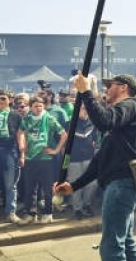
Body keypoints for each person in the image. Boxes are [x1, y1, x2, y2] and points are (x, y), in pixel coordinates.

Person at [54, 73, 136, 261]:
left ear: (123, 88)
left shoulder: (129, 106)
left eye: (109, 86)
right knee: (126, 241)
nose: (106, 90)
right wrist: (74, 185)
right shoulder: (119, 116)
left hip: (122, 184)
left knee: (111, 247)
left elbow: (104, 121)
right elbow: (99, 162)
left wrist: (86, 92)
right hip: (120, 182)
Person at [18, 96, 67, 224]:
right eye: (35, 106)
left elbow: (64, 134)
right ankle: (31, 214)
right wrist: (22, 145)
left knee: (47, 187)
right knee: (30, 188)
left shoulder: (49, 119)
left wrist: (56, 150)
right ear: (31, 107)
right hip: (30, 158)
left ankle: (48, 213)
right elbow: (20, 132)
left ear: (44, 106)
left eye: (40, 106)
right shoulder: (27, 119)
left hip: (46, 158)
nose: (38, 108)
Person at [70, 105, 99, 220]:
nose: (85, 111)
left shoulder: (92, 123)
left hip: (89, 158)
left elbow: (95, 139)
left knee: (92, 183)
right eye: (83, 108)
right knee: (76, 185)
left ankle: (87, 204)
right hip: (74, 159)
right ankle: (77, 208)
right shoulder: (70, 123)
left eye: (87, 108)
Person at [0, 89, 25, 224]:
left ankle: (10, 212)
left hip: (10, 151)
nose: (1, 101)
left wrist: (22, 155)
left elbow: (20, 136)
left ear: (9, 100)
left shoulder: (16, 116)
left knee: (10, 184)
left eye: (3, 98)